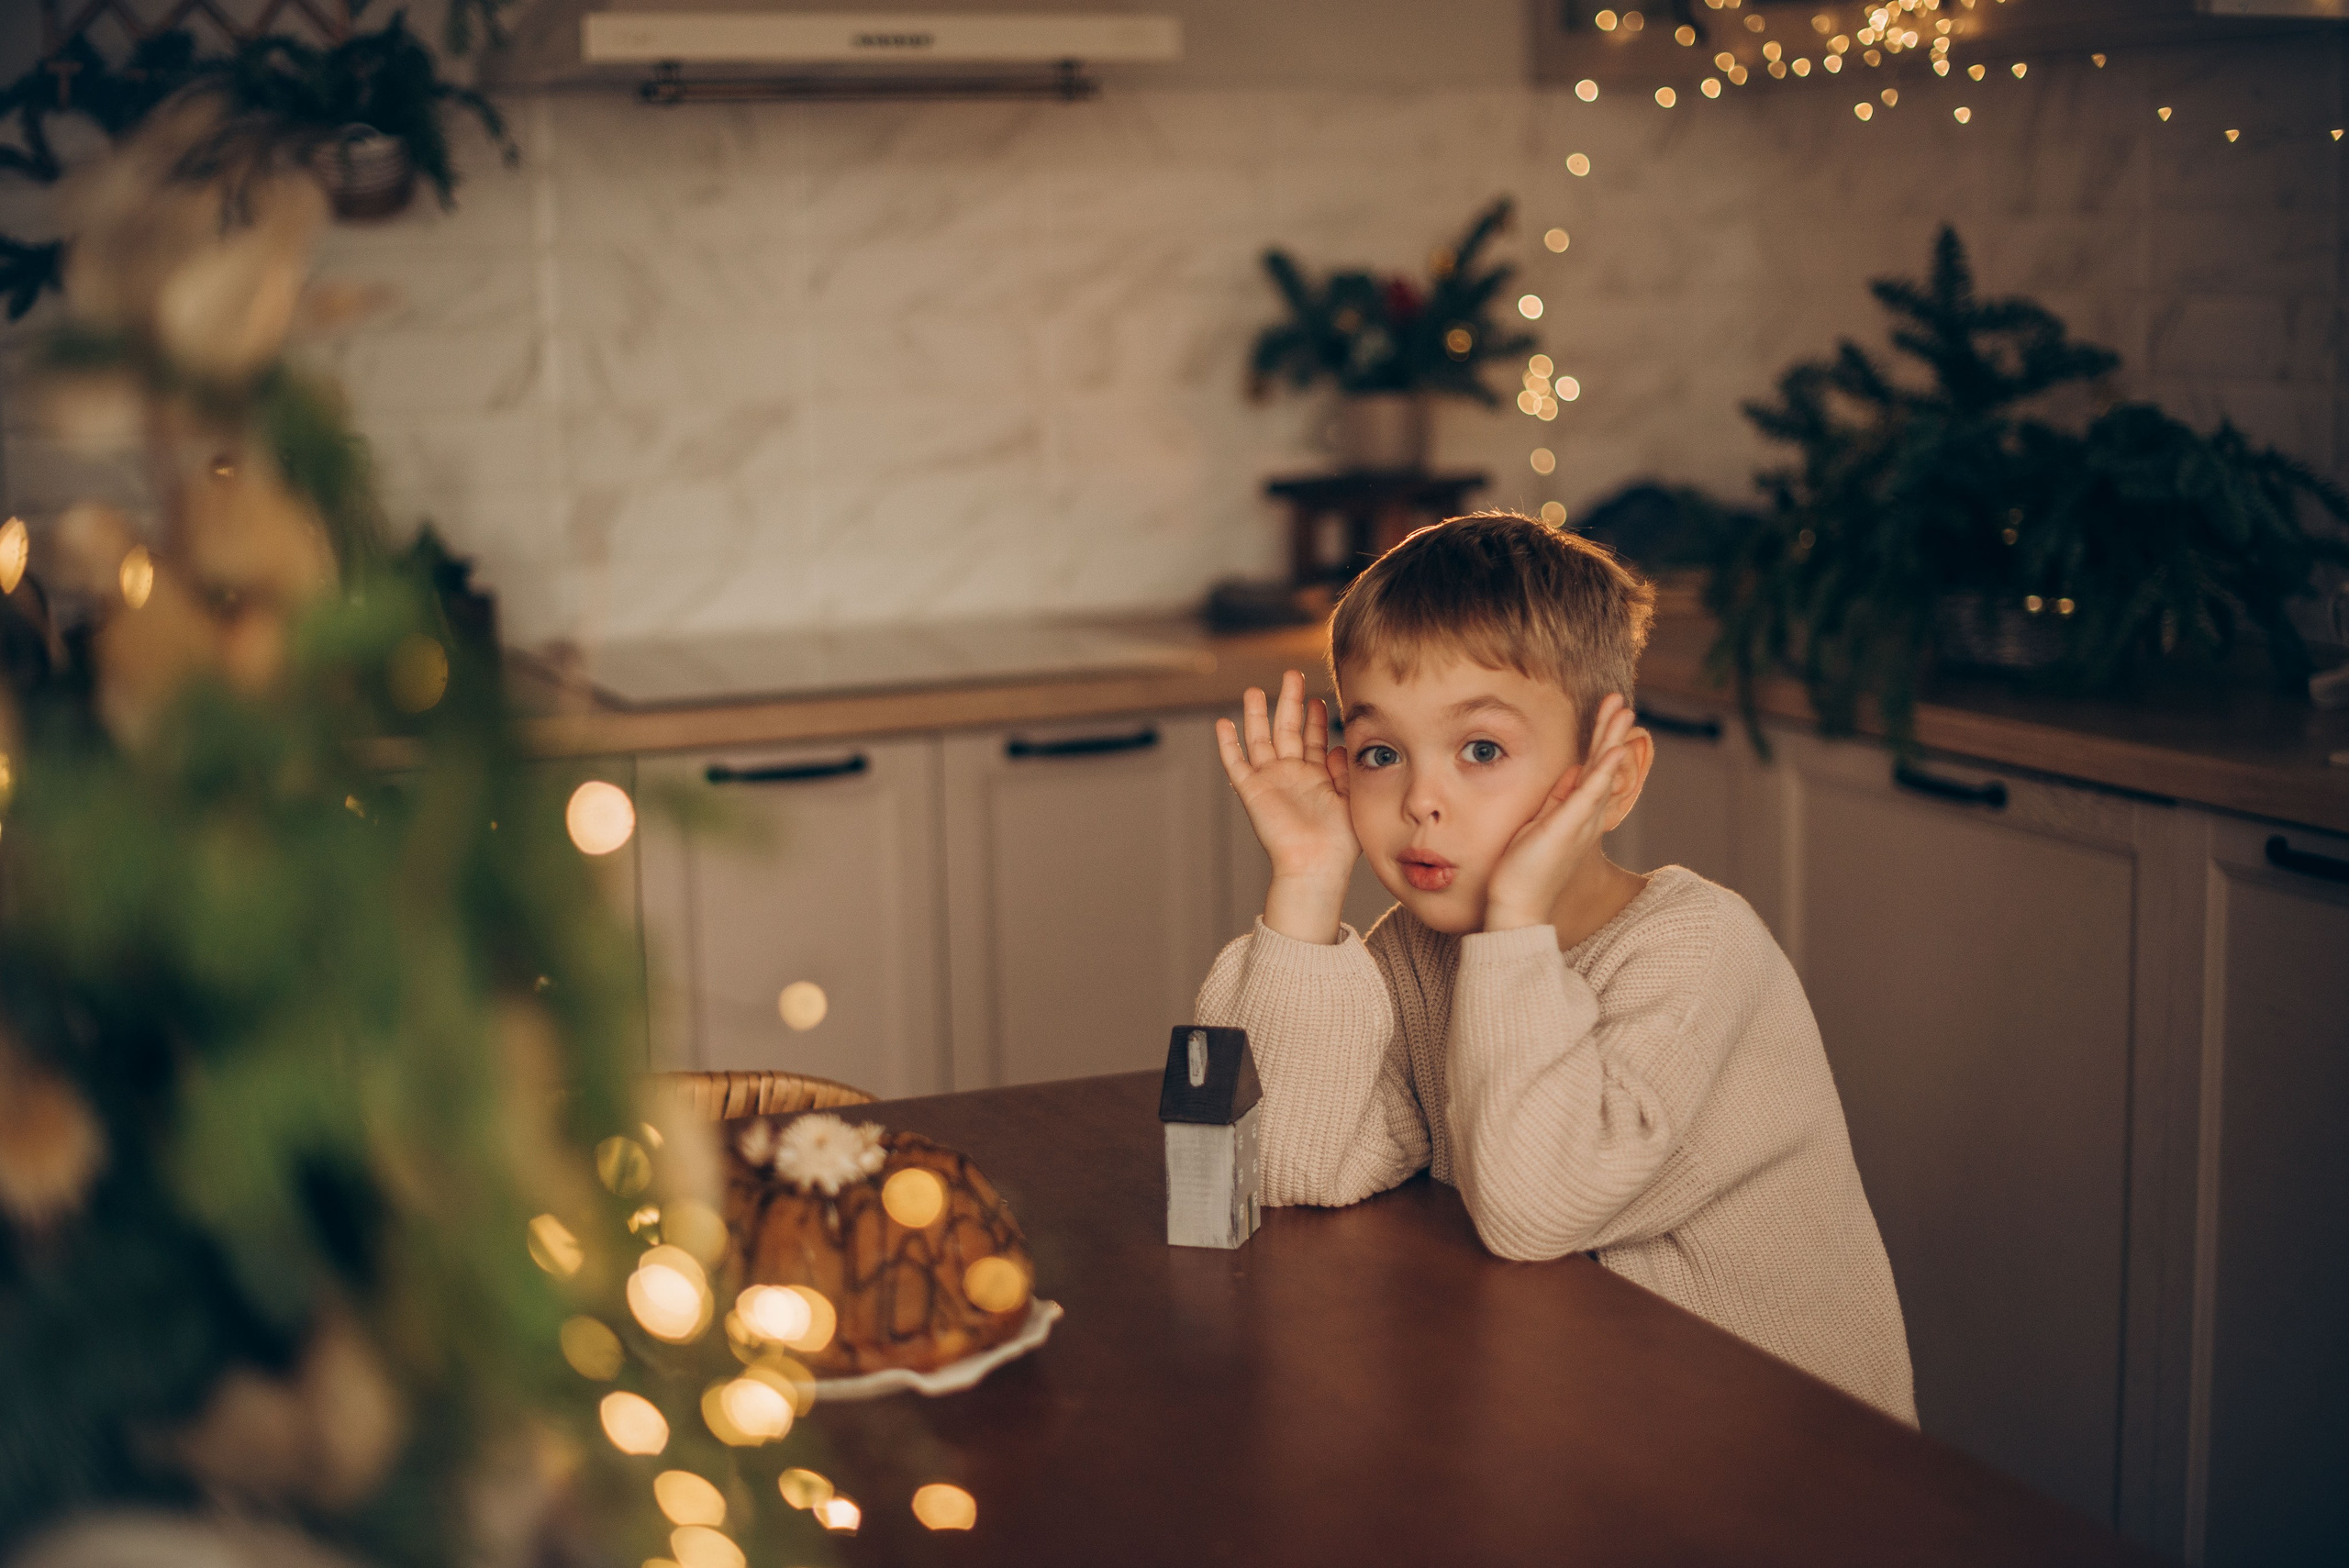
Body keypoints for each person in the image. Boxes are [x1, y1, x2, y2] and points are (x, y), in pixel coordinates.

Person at [1198, 511, 1915, 1422]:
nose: (1420, 798)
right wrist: (1304, 880)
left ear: (1612, 780)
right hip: (1574, 1419)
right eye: (1381, 751)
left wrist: (1513, 924)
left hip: (1786, 1466)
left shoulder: (1697, 950)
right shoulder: (1415, 952)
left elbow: (1536, 1210)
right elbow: (1289, 1163)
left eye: (1481, 750)